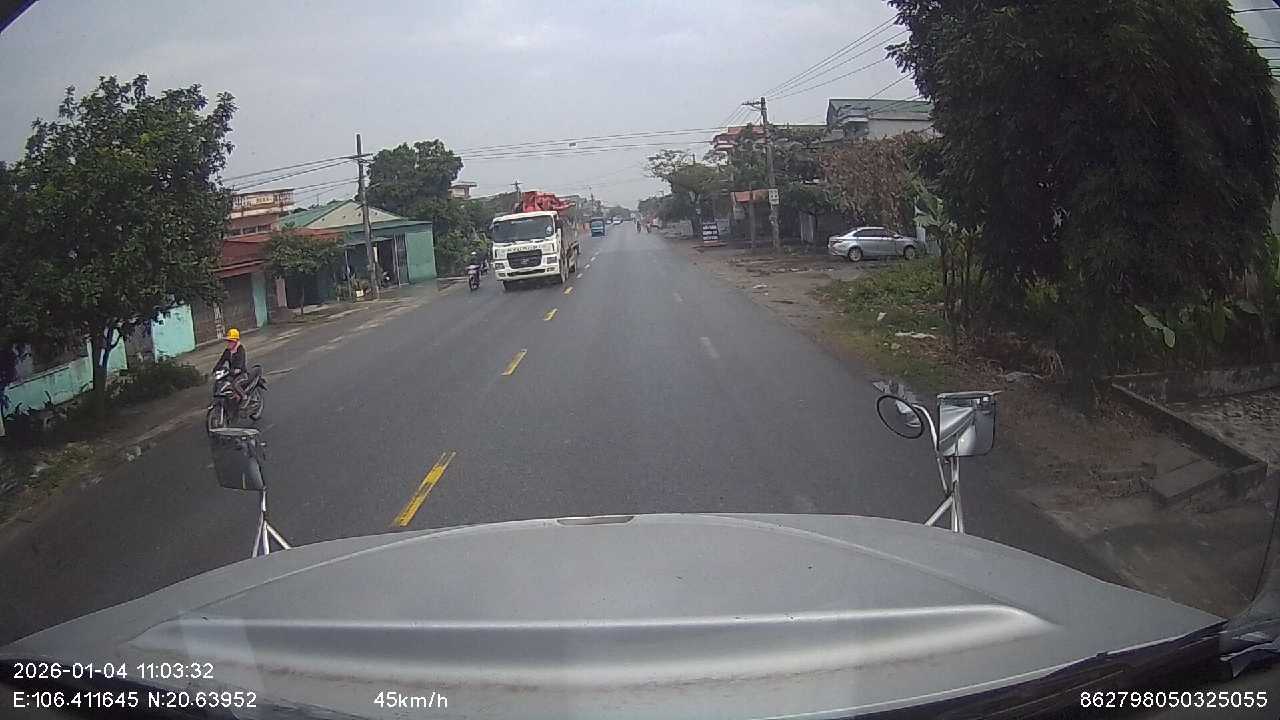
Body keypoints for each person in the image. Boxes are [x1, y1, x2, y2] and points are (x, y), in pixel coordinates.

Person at [213, 328, 248, 405]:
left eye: (231, 341)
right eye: (228, 341)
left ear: (235, 341)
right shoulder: (228, 351)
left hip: (241, 374)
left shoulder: (240, 350)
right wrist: (215, 369)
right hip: (231, 373)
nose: (229, 343)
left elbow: (240, 363)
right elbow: (221, 360)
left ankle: (244, 397)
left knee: (235, 384)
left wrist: (237, 369)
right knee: (222, 383)